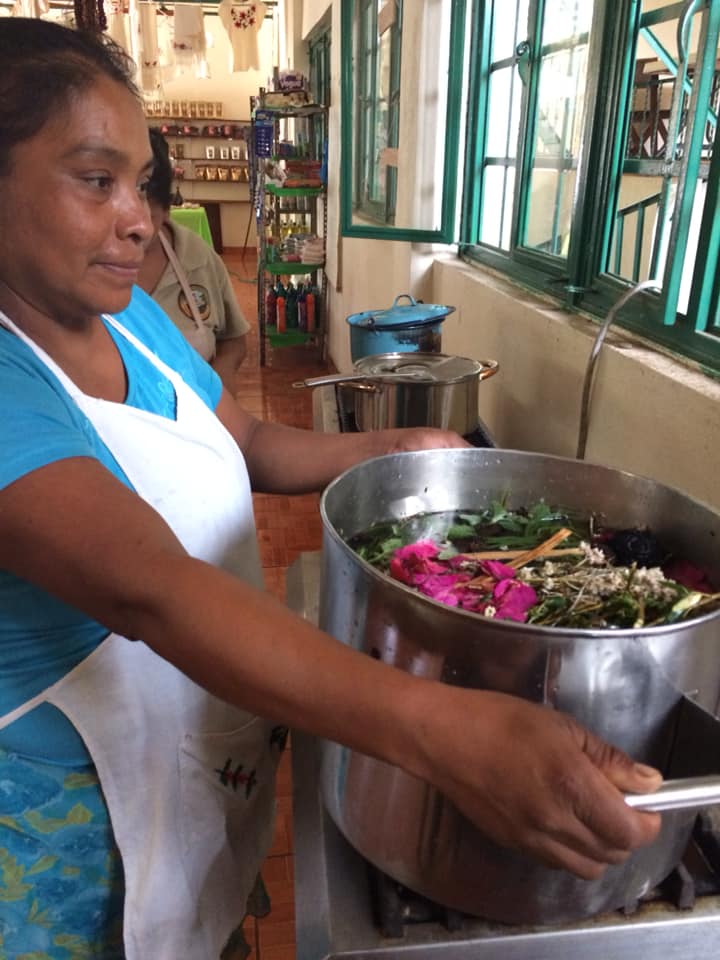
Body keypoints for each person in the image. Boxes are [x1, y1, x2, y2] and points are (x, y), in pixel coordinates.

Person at [0, 18, 661, 960]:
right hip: (67, 849)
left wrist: (407, 446)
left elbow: (251, 441)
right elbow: (152, 588)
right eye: (95, 180)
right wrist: (448, 734)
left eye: (142, 182)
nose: (141, 219)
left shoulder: (132, 318)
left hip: (191, 763)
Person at [137, 128, 250, 392]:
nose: (133, 229)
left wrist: (218, 393)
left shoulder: (196, 257)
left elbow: (234, 340)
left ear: (166, 210)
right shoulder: (79, 278)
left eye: (146, 217)